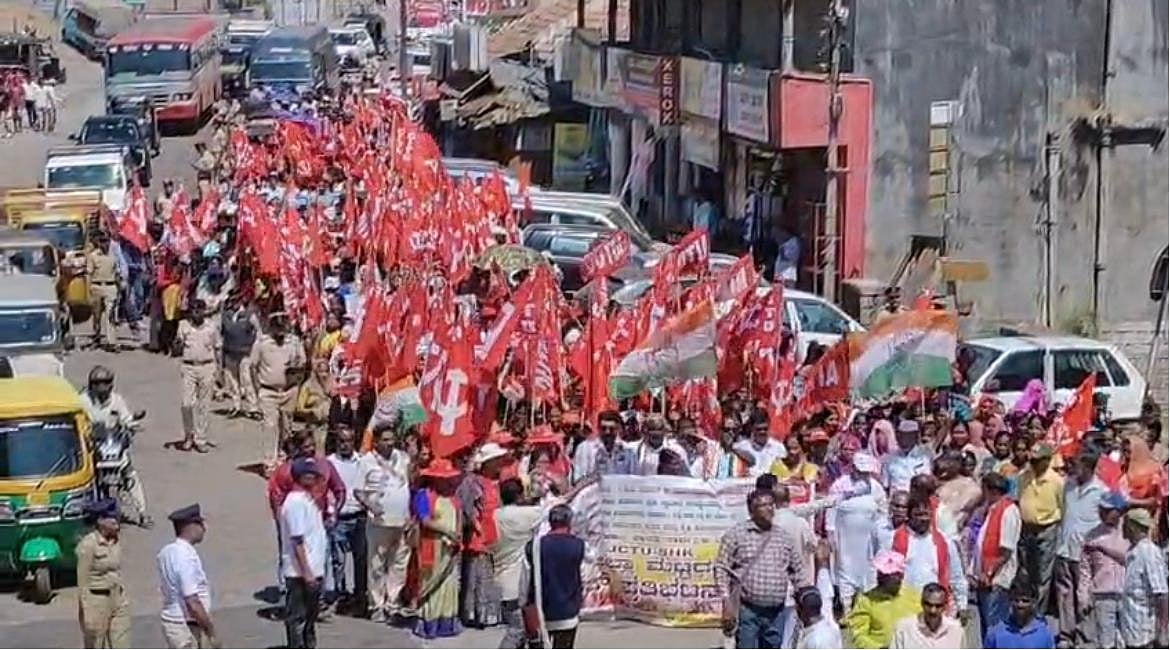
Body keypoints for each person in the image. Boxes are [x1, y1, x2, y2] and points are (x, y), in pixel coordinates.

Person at [714, 488, 808, 649]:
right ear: (751, 510)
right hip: (748, 610)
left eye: (771, 504)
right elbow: (721, 568)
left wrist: (805, 598)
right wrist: (726, 600)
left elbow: (798, 571)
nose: (769, 508)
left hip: (777, 612)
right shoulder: (736, 535)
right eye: (763, 505)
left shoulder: (783, 537)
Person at [78, 366, 150, 527]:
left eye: (105, 383)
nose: (102, 387)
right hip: (93, 448)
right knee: (83, 477)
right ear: (91, 385)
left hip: (113, 447)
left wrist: (133, 424)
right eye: (98, 383)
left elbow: (125, 418)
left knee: (130, 474)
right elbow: (77, 420)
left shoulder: (117, 400)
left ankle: (142, 513)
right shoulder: (82, 401)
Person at [354, 425, 412, 622]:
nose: (389, 443)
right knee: (377, 565)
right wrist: (371, 505)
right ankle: (376, 605)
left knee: (399, 564)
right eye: (385, 440)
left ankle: (392, 602)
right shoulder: (366, 461)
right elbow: (358, 491)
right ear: (376, 441)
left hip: (402, 520)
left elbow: (412, 482)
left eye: (391, 439)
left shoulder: (403, 458)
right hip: (379, 522)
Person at [1053, 451, 1107, 648]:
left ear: (1089, 467)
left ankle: (1085, 635)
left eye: (1078, 464)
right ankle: (1066, 633)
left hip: (1085, 552)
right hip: (1065, 548)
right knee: (1064, 594)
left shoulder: (1100, 491)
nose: (1073, 467)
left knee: (1084, 595)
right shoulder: (1068, 485)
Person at [881, 496, 966, 614]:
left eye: (926, 514)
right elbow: (880, 573)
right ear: (909, 516)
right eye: (918, 514)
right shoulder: (892, 540)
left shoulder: (945, 542)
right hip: (902, 607)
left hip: (935, 608)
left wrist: (962, 605)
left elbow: (957, 577)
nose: (923, 519)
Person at [280, 458, 329, 649]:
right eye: (308, 474)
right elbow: (297, 540)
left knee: (310, 617)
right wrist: (306, 571)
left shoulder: (308, 500)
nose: (313, 477)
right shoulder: (294, 503)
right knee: (298, 618)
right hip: (299, 572)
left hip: (313, 570)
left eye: (314, 474)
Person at [413, 458, 463, 639]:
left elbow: (458, 520)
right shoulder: (423, 495)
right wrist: (447, 531)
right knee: (430, 585)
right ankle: (428, 623)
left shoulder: (454, 498)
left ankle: (447, 624)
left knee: (448, 586)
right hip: (431, 547)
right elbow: (425, 520)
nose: (446, 482)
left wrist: (456, 536)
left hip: (449, 550)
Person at [827, 451, 886, 608]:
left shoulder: (876, 488)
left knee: (869, 571)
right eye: (860, 471)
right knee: (845, 570)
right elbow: (831, 513)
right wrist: (831, 535)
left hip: (868, 542)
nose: (863, 475)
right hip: (845, 539)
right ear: (852, 468)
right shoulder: (839, 485)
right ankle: (846, 609)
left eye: (866, 472)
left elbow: (883, 513)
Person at [457, 443, 506, 628]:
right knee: (475, 578)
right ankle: (473, 613)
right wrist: (478, 528)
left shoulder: (494, 482)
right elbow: (469, 509)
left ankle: (488, 613)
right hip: (479, 535)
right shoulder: (472, 481)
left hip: (493, 533)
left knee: (487, 577)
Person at [157, 504, 217, 649]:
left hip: (174, 622)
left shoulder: (167, 551)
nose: (204, 528)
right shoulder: (185, 557)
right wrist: (210, 631)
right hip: (185, 625)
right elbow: (192, 602)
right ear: (190, 526)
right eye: (200, 523)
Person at [528, 504, 586, 649]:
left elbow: (526, 579)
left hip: (541, 611)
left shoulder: (534, 546)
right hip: (568, 611)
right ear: (569, 522)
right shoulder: (578, 545)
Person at [76, 499, 130, 649]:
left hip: (118, 596)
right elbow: (83, 581)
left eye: (117, 518)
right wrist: (86, 613)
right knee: (96, 643)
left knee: (122, 642)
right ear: (100, 520)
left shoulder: (116, 540)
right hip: (97, 599)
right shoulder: (88, 545)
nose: (116, 522)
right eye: (112, 518)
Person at [252, 313, 307, 461]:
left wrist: (296, 376)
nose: (281, 332)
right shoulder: (262, 343)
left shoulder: (294, 342)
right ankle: (269, 462)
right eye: (277, 328)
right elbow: (253, 366)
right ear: (271, 328)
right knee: (270, 426)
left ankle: (283, 457)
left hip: (289, 390)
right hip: (268, 390)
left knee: (286, 427)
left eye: (283, 327)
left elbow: (303, 363)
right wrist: (257, 388)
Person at [1078, 491, 1129, 648]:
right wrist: (1083, 596)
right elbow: (1085, 570)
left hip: (1127, 593)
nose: (1102, 513)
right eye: (1101, 509)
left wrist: (1104, 548)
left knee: (1127, 640)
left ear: (1119, 511)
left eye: (1107, 510)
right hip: (1102, 594)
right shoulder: (1092, 535)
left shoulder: (1129, 533)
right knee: (1105, 642)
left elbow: (1130, 559)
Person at [1017, 442, 1063, 614]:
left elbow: (1062, 506)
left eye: (1037, 460)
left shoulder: (1057, 481)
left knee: (1043, 574)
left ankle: (1038, 613)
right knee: (1026, 572)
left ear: (1047, 460)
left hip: (1047, 528)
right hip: (1026, 528)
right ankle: (1025, 607)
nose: (1033, 464)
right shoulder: (1024, 476)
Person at [973, 471, 1022, 634]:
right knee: (986, 626)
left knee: (995, 626)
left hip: (997, 578)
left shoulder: (1008, 511)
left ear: (990, 490)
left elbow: (1005, 551)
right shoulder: (991, 509)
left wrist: (988, 572)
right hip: (984, 578)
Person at [844, 550, 922, 649]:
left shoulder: (914, 596)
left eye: (887, 575)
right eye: (880, 574)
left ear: (900, 576)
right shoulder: (866, 600)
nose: (880, 578)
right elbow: (858, 634)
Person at [325, 428, 367, 612]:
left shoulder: (362, 461)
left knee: (361, 558)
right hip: (339, 518)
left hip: (359, 516)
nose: (345, 445)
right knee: (338, 560)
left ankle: (360, 594)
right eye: (341, 441)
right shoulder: (329, 463)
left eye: (349, 441)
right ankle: (340, 594)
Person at [1119, 508, 1169, 649]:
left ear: (1132, 526)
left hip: (1145, 631)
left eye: (1125, 524)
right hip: (1131, 628)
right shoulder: (1132, 551)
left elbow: (1162, 594)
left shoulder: (1149, 553)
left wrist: (1163, 630)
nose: (1122, 527)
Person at [174, 300, 220, 452]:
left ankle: (201, 438)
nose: (196, 313)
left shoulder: (211, 327)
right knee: (186, 403)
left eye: (199, 310)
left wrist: (219, 370)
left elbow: (218, 347)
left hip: (207, 365)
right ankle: (188, 435)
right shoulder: (183, 326)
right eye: (193, 310)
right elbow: (177, 348)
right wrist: (177, 344)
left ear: (204, 311)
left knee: (204, 404)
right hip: (189, 366)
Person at [220, 293, 261, 419]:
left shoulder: (249, 315)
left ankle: (253, 407)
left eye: (235, 301)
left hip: (245, 352)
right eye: (231, 301)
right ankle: (236, 405)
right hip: (229, 351)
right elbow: (220, 332)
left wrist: (255, 350)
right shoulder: (226, 315)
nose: (233, 304)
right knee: (232, 380)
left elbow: (258, 332)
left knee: (246, 379)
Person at [983, 581, 1056, 649]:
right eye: (1016, 600)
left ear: (1034, 603)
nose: (1020, 605)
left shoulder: (1044, 634)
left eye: (1025, 601)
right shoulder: (995, 634)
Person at [890, 582, 963, 648]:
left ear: (945, 606)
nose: (933, 611)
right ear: (922, 603)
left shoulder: (956, 631)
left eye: (938, 606)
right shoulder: (904, 629)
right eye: (928, 605)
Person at [571, 410, 636, 480]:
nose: (607, 432)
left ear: (618, 428)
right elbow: (579, 478)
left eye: (611, 429)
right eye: (603, 428)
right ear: (598, 427)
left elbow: (634, 479)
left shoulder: (628, 450)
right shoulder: (585, 448)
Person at [87, 236, 122, 351]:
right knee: (96, 316)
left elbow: (117, 273)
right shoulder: (93, 256)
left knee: (110, 315)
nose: (105, 244)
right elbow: (89, 273)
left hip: (110, 286)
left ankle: (112, 342)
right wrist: (88, 290)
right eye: (102, 241)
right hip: (96, 286)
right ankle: (96, 338)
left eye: (106, 241)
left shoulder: (114, 256)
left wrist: (120, 288)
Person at [881, 420, 932, 492]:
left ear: (915, 436)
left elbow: (928, 481)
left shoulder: (925, 457)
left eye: (908, 436)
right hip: (897, 500)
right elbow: (886, 485)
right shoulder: (889, 459)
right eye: (901, 435)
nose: (904, 439)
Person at [732, 410, 786, 477]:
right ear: (752, 428)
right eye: (759, 429)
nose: (762, 432)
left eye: (765, 429)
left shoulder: (779, 448)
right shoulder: (740, 447)